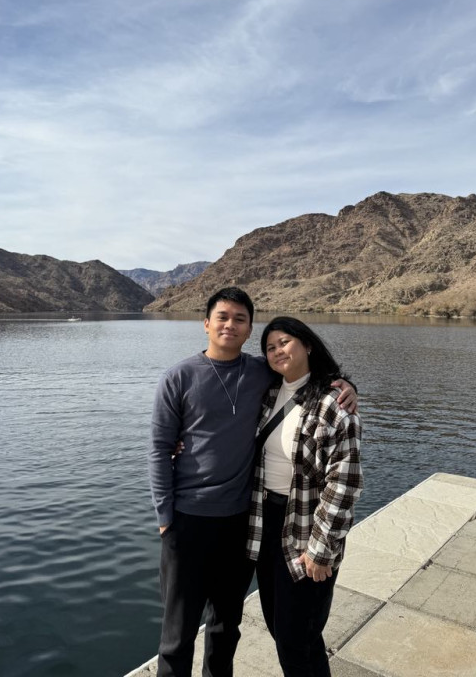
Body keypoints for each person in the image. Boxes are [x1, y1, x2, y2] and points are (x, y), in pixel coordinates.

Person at [149, 287, 358, 677]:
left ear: (248, 331)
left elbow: (312, 380)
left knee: (227, 625)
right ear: (207, 323)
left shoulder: (261, 372)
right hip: (188, 521)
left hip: (242, 523)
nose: (230, 325)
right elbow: (159, 449)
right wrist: (165, 517)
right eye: (223, 317)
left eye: (240, 319)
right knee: (178, 634)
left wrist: (347, 386)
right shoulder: (178, 377)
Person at [246, 316, 363, 677]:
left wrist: (320, 549)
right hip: (265, 524)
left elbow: (344, 482)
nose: (277, 351)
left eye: (284, 342)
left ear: (307, 344)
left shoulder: (333, 402)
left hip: (306, 528)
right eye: (269, 347)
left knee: (298, 637)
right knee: (280, 627)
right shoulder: (266, 392)